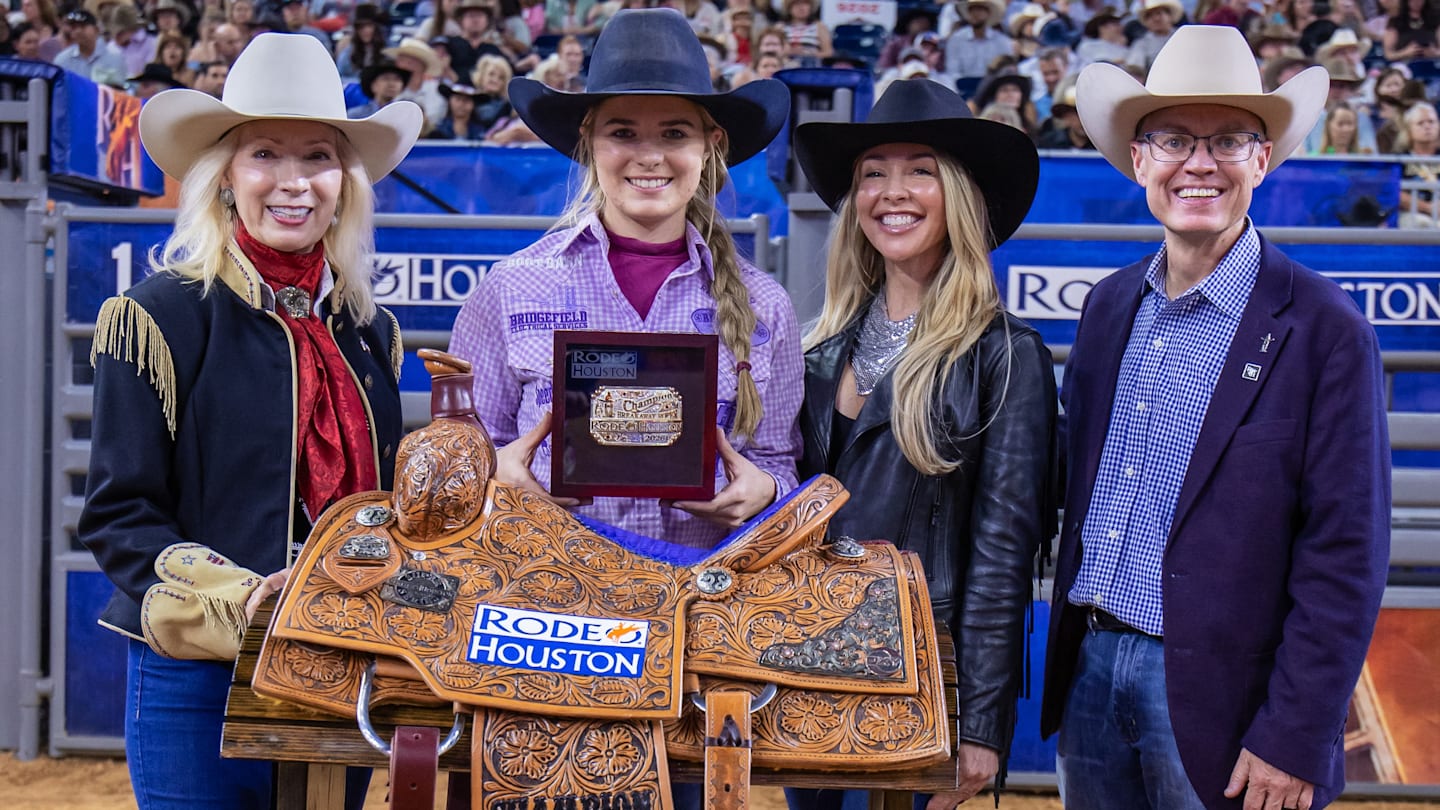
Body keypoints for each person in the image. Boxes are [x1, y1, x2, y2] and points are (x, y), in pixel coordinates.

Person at [1042, 25, 1390, 810]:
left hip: (1229, 702)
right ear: (1139, 161)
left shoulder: (1325, 329)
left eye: (1228, 140)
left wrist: (1295, 733)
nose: (1199, 163)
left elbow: (1346, 554)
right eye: (1173, 140)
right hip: (1093, 671)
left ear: (1262, 160)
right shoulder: (1107, 308)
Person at [80, 32, 422, 810]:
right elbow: (120, 514)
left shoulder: (370, 332)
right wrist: (245, 599)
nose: (293, 181)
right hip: (196, 674)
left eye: (318, 157)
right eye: (266, 154)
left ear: (345, 182)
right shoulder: (155, 316)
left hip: (344, 667)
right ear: (227, 176)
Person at [787, 77, 1054, 810]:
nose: (890, 192)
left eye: (920, 171)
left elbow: (1004, 554)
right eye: (873, 172)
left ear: (959, 197)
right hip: (802, 672)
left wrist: (982, 723)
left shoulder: (1004, 355)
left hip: (922, 688)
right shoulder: (817, 353)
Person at [448, 6, 800, 555]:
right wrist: (494, 476)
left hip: (702, 604)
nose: (650, 155)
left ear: (709, 145)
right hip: (548, 593)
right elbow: (459, 454)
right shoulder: (511, 287)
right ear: (589, 140)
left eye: (675, 133)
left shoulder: (764, 305)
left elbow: (780, 461)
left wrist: (767, 489)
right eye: (623, 132)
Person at [1392, 102, 1439, 228]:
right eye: (1421, 123)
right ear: (1409, 130)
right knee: (1423, 224)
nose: (1427, 126)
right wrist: (1428, 207)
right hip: (1411, 214)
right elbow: (1395, 192)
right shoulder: (1399, 159)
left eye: (1431, 122)